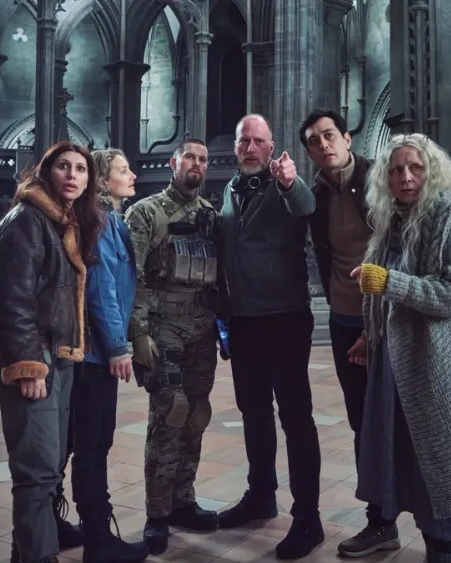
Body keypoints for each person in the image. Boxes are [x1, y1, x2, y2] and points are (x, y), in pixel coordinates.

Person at [351, 133, 451, 563]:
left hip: (438, 365)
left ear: (431, 171)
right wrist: (370, 333)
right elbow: (385, 291)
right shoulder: (392, 219)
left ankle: (450, 552)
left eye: (415, 168)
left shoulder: (447, 215)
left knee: (440, 463)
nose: (406, 177)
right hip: (397, 364)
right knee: (406, 461)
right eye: (397, 169)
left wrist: (389, 282)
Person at [0, 141, 103, 563]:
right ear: (46, 172)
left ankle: (27, 554)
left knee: (48, 469)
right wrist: (28, 366)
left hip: (58, 359)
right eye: (64, 166)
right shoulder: (27, 221)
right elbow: (10, 301)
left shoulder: (61, 222)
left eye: (81, 169)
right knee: (36, 473)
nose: (73, 175)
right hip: (35, 360)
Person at [216, 114, 323, 560]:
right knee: (254, 413)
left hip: (284, 319)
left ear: (272, 146)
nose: (250, 147)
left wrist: (290, 181)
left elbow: (306, 207)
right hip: (244, 321)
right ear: (236, 146)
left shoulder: (284, 186)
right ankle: (261, 494)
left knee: (295, 418)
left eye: (259, 140)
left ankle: (308, 517)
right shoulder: (229, 190)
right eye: (244, 140)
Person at [298, 108, 400, 557]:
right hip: (343, 319)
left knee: (397, 420)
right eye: (314, 141)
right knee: (362, 422)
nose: (323, 145)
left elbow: (397, 249)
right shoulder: (317, 193)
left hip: (386, 317)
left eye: (329, 135)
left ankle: (436, 524)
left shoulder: (380, 180)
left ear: (346, 137)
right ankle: (381, 521)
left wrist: (376, 324)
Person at [123, 138, 221, 555]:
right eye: (190, 157)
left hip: (202, 329)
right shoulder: (145, 212)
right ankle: (157, 514)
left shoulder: (211, 216)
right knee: (170, 414)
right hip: (162, 329)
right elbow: (131, 276)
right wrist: (138, 333)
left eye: (203, 159)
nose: (196, 163)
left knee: (196, 414)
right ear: (173, 163)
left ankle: (183, 501)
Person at [68, 148, 150, 563]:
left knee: (88, 441)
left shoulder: (111, 220)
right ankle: (98, 538)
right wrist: (118, 347)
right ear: (102, 180)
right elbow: (101, 291)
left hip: (96, 351)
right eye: (123, 170)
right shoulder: (99, 223)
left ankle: (69, 525)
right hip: (96, 355)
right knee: (92, 443)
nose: (132, 175)